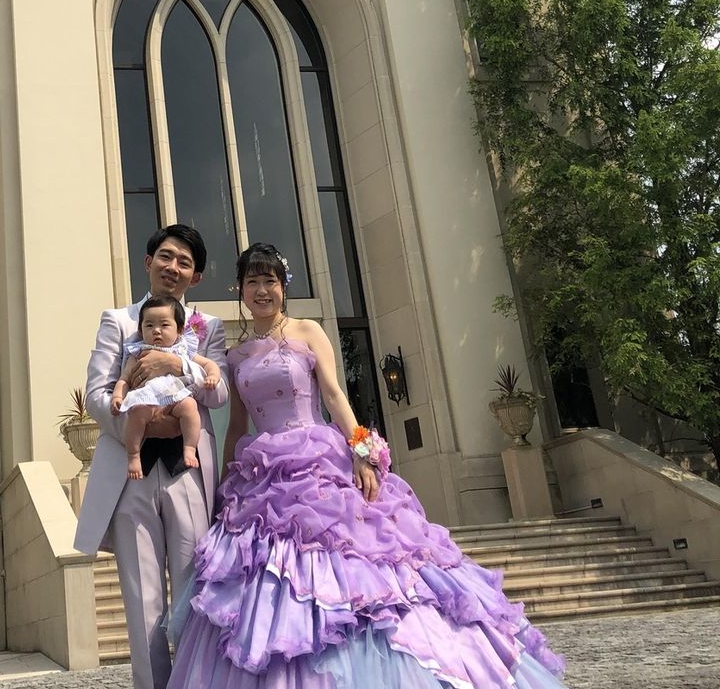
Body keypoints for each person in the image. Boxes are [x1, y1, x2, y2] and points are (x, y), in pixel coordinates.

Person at [167, 242, 568, 689]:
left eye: (270, 281)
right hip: (262, 475)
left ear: (283, 287)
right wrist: (226, 482)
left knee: (360, 564)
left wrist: (361, 453)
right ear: (240, 289)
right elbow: (238, 425)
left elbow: (334, 395)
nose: (262, 290)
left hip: (318, 461)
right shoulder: (236, 355)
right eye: (253, 282)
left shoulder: (307, 331)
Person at [74, 224, 228, 689]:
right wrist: (139, 427)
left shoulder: (209, 328)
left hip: (188, 472)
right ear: (148, 262)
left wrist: (177, 363)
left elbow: (218, 394)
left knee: (193, 589)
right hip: (132, 472)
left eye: (185, 262)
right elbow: (98, 394)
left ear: (195, 277)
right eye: (166, 256)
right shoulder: (118, 321)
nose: (173, 267)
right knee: (142, 600)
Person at [112, 295, 222, 478]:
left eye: (164, 325)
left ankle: (189, 448)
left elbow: (209, 364)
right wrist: (117, 396)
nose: (156, 331)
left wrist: (213, 376)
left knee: (190, 406)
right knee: (137, 413)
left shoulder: (182, 350)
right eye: (149, 325)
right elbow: (124, 379)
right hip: (147, 400)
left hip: (175, 398)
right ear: (140, 330)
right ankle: (133, 455)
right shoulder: (138, 353)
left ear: (179, 330)